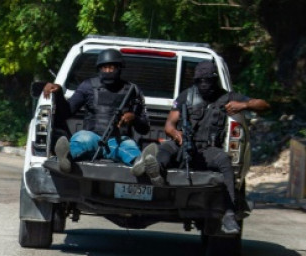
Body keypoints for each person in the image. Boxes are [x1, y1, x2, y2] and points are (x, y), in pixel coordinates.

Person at [156, 61, 270, 234]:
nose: (204, 84)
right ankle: (155, 174)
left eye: (208, 80)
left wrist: (244, 105)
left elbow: (264, 105)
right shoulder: (186, 96)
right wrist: (176, 135)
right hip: (184, 145)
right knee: (165, 149)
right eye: (200, 80)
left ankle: (229, 213)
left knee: (225, 160)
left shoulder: (228, 97)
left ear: (214, 80)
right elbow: (169, 125)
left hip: (208, 150)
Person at [43, 48, 160, 181]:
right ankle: (65, 159)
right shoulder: (88, 86)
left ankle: (142, 164)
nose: (108, 71)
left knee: (130, 147)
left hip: (118, 140)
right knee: (82, 139)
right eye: (105, 68)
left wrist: (134, 118)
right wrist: (58, 93)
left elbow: (145, 128)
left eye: (112, 68)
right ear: (99, 69)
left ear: (119, 68)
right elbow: (66, 112)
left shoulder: (133, 90)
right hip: (92, 137)